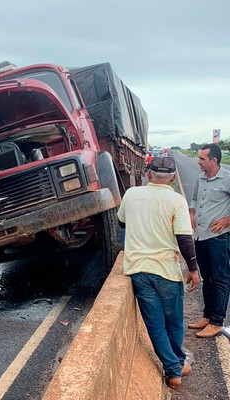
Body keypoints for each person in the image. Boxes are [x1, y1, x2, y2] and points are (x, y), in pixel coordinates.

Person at [117, 156, 200, 390]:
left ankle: (174, 371)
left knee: (154, 324)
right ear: (173, 178)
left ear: (149, 175)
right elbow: (184, 238)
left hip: (138, 270)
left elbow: (122, 222)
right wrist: (193, 269)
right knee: (174, 322)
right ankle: (176, 366)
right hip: (166, 271)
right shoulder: (176, 200)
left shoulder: (132, 194)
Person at [188, 143, 230, 338]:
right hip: (201, 235)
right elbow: (194, 199)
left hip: (218, 238)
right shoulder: (200, 178)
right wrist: (192, 214)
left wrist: (228, 220)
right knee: (208, 278)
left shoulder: (227, 178)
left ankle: (217, 321)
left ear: (214, 160)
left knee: (220, 279)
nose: (198, 161)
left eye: (202, 158)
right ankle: (207, 316)